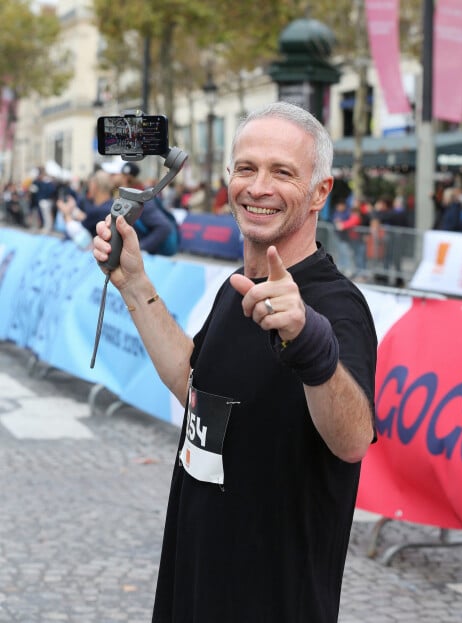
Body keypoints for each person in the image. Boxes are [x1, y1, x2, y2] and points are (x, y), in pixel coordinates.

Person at [92, 101, 377, 623]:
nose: (258, 186)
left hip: (273, 599)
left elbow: (354, 439)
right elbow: (195, 384)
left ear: (320, 192)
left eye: (282, 172)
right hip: (193, 583)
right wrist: (134, 283)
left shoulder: (336, 307)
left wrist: (309, 342)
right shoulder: (235, 289)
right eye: (246, 168)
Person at [109, 161, 180, 256]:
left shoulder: (141, 199)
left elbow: (164, 227)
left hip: (152, 259)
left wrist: (139, 248)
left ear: (125, 177)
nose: (111, 177)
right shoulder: (133, 195)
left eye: (114, 174)